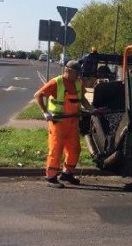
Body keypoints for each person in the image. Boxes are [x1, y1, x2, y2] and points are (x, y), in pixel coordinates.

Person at [34, 60, 95, 188]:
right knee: (56, 150)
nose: (78, 76)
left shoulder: (78, 83)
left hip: (72, 122)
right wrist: (45, 112)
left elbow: (82, 99)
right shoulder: (57, 82)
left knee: (75, 150)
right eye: (76, 73)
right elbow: (38, 95)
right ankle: (51, 177)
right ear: (68, 71)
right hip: (58, 123)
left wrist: (91, 109)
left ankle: (67, 174)